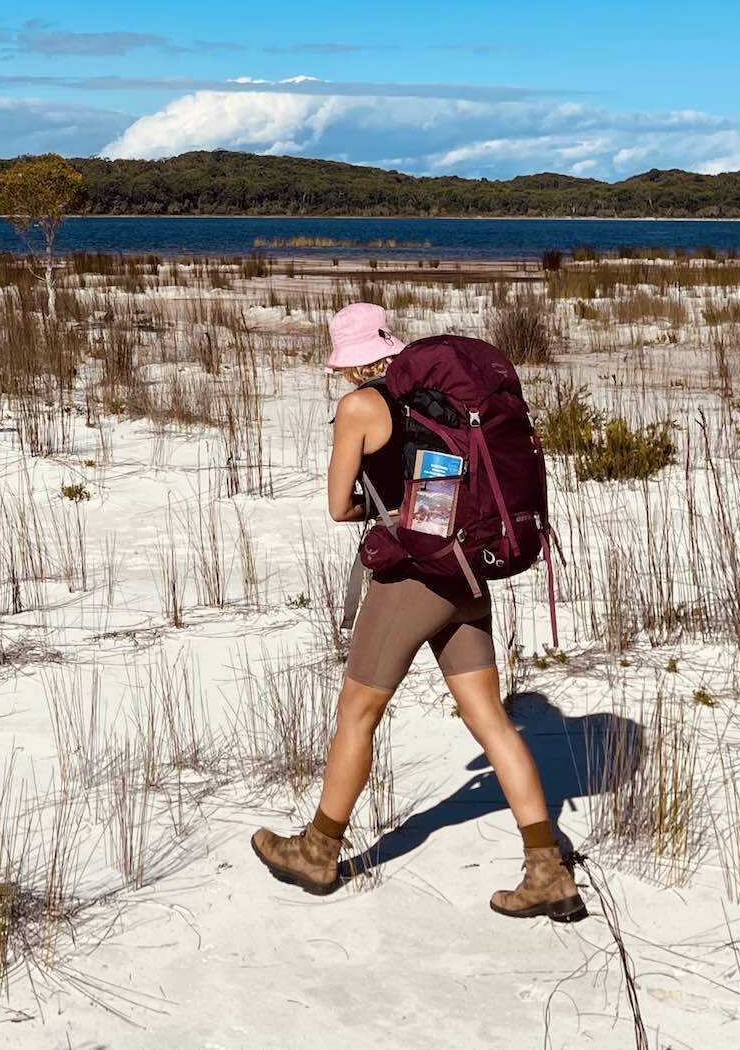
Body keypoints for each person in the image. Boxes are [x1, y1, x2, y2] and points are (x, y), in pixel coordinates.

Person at [250, 302, 585, 921]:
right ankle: (547, 870)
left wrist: (381, 513)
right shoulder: (440, 402)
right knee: (490, 719)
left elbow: (338, 506)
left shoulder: (360, 407)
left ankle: (319, 851)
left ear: (348, 360)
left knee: (358, 712)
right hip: (466, 569)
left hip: (412, 578)